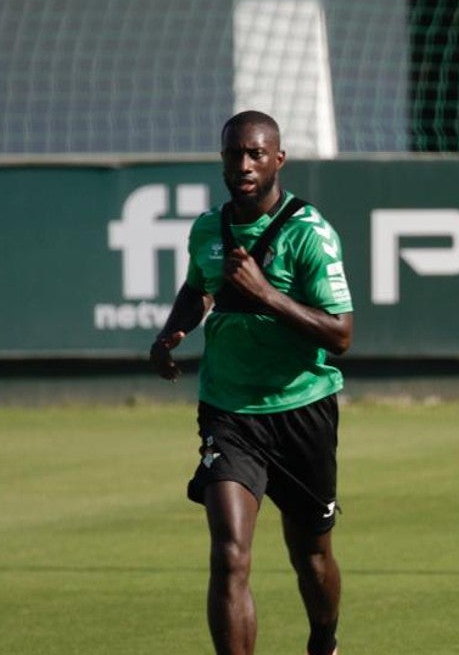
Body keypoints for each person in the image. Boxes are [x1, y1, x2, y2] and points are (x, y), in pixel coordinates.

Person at [150, 110, 354, 655]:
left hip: (302, 411)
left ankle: (323, 641)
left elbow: (340, 335)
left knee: (310, 556)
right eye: (233, 154)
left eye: (255, 154)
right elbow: (198, 289)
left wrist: (267, 295)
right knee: (230, 554)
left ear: (278, 160)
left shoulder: (310, 233)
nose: (243, 164)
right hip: (229, 411)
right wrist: (171, 333)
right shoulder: (206, 229)